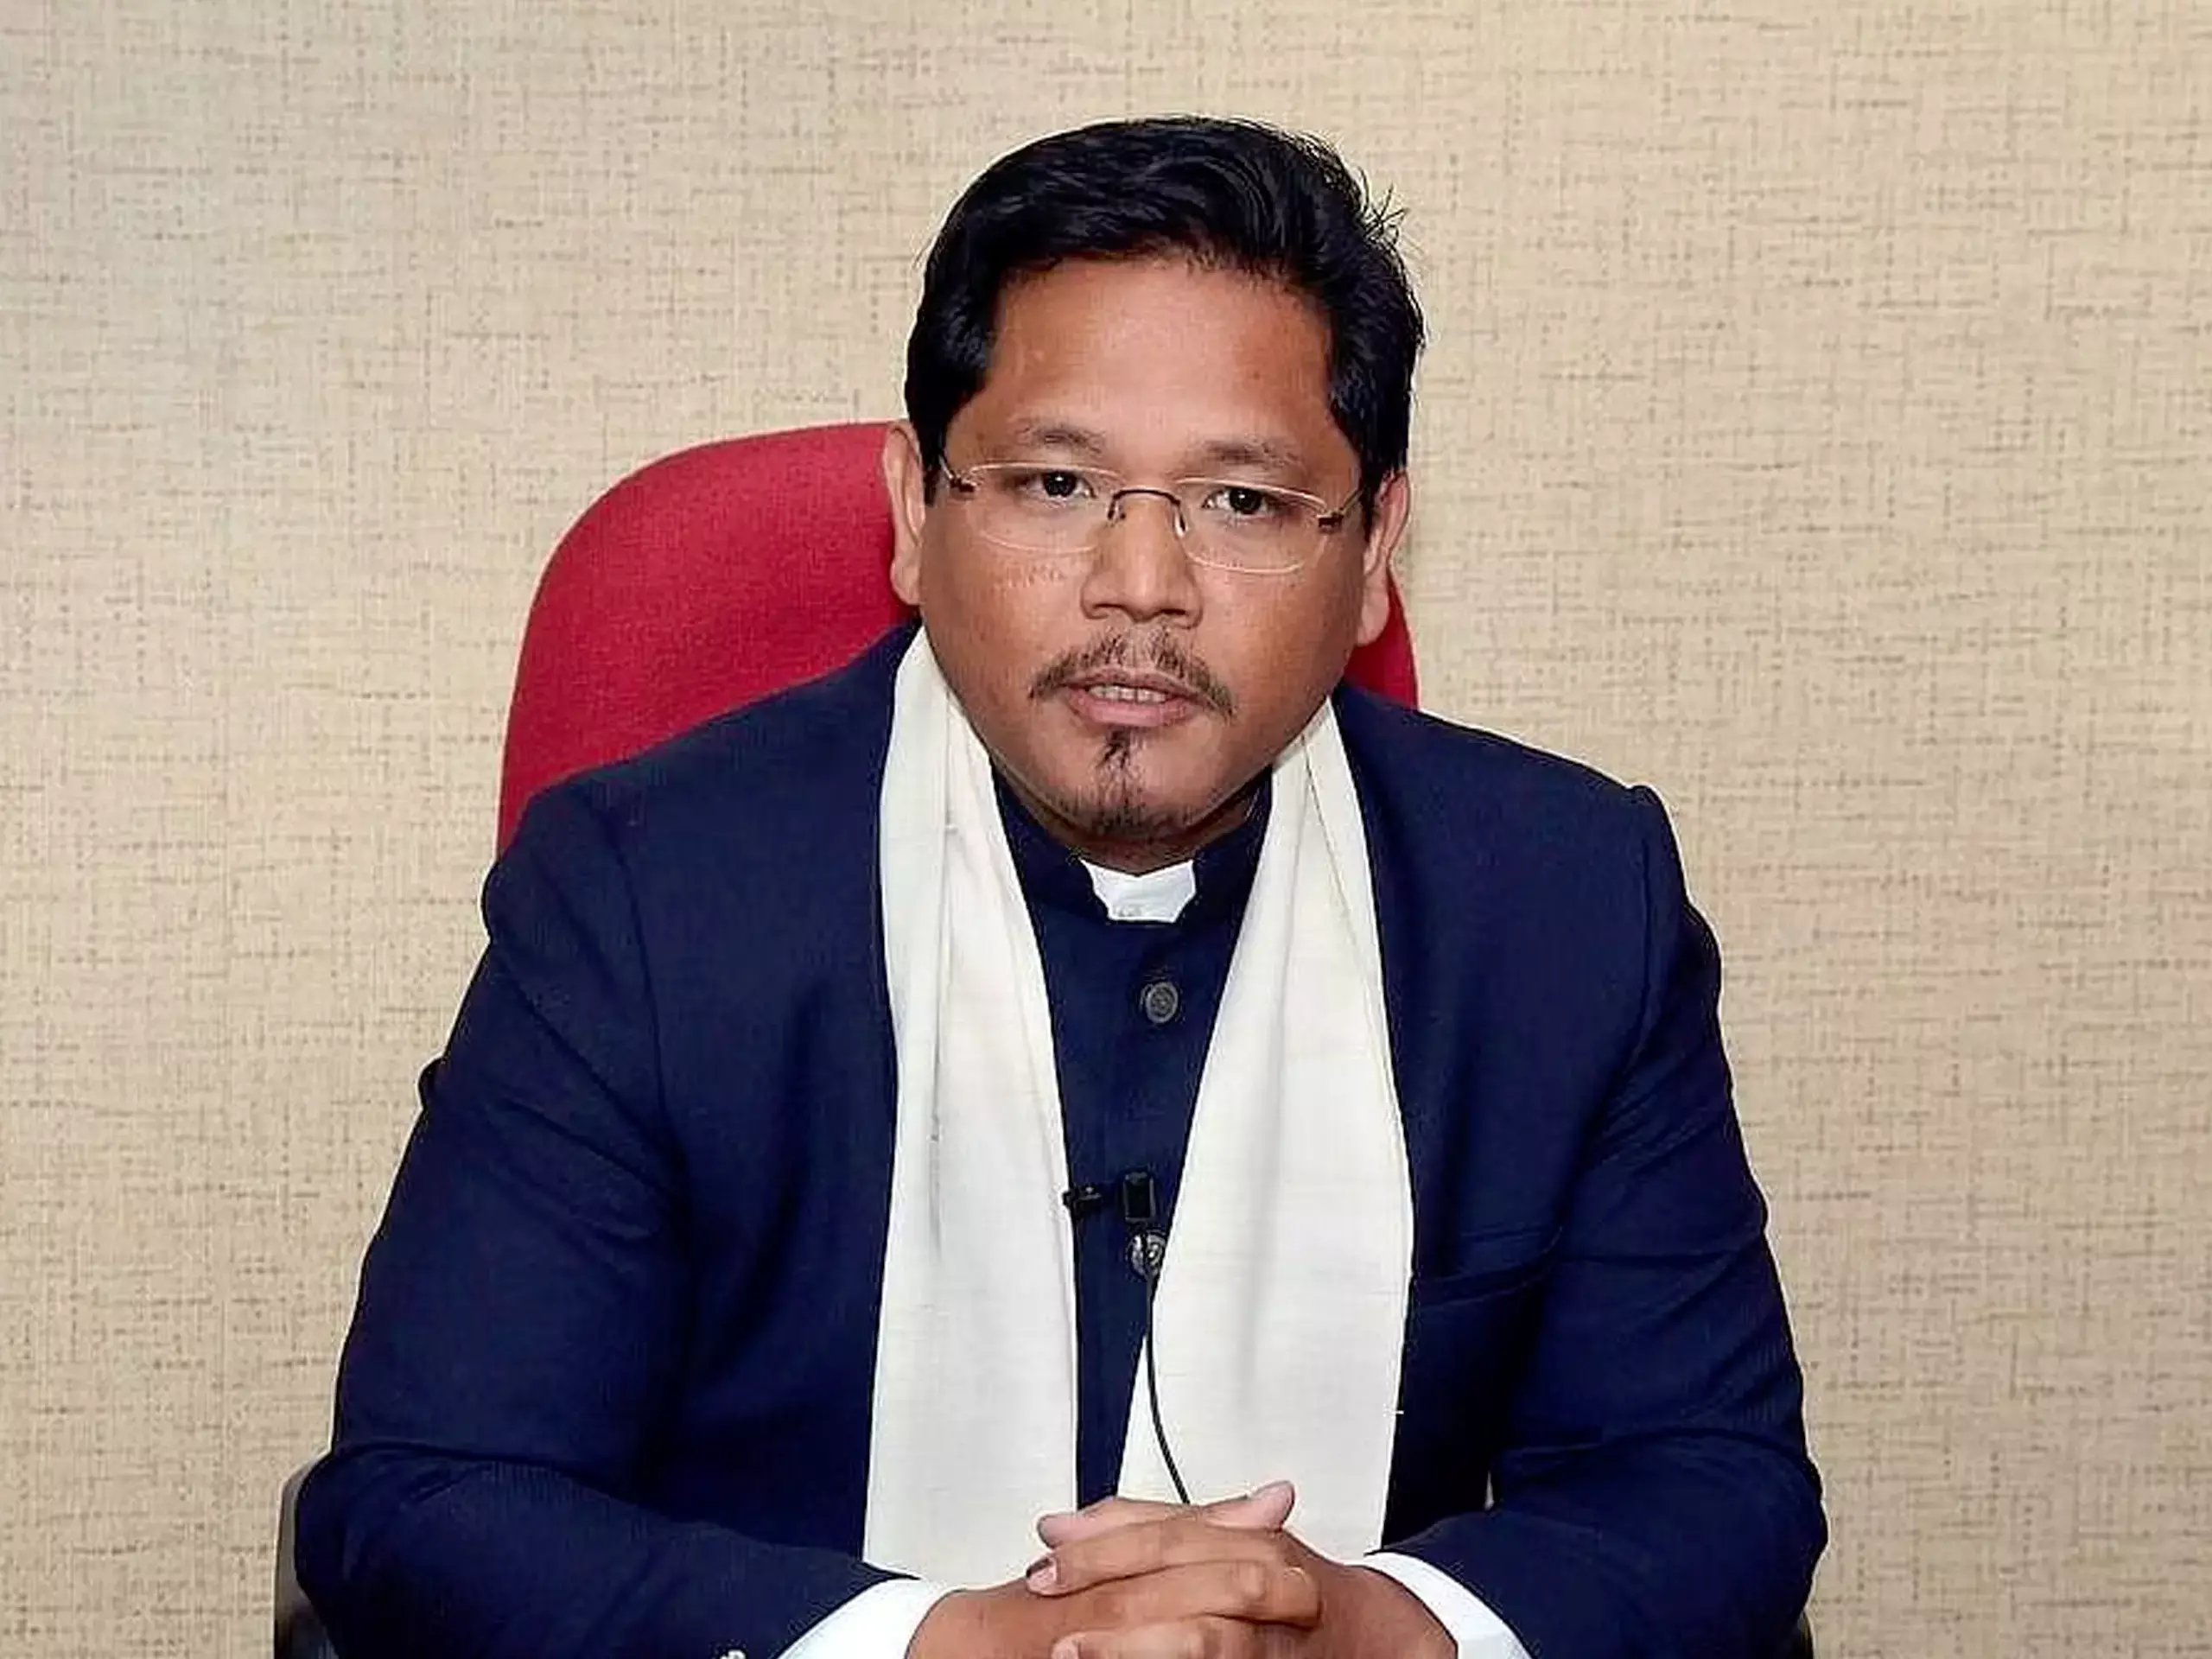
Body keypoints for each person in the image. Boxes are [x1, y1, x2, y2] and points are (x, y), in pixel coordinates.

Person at [296, 116, 1824, 1658]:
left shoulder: (1567, 907)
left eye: (1242, 503)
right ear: (915, 515)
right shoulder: (640, 899)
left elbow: (1710, 1489)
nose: (1140, 586)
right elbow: (429, 1503)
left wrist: (1373, 1629)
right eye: (1052, 482)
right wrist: (946, 1647)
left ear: (1374, 552)